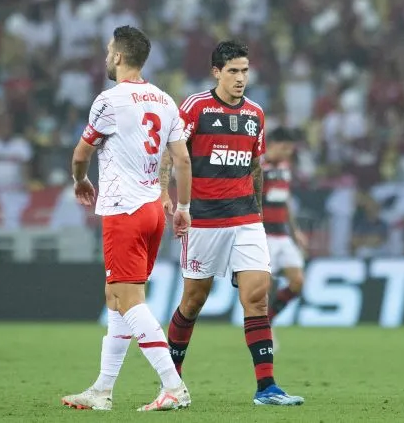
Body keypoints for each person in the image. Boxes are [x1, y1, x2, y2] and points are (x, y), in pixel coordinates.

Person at [162, 40, 304, 407]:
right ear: (216, 72)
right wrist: (167, 195)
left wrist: (255, 211)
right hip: (204, 221)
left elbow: (255, 166)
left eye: (244, 70)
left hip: (245, 219)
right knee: (193, 302)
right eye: (233, 71)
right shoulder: (195, 107)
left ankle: (267, 387)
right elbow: (173, 154)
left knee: (256, 298)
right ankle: (172, 384)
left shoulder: (256, 113)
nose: (241, 78)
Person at [62, 26, 193, 412]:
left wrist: (80, 180)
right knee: (115, 298)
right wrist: (182, 207)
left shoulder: (109, 101)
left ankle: (174, 386)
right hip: (154, 209)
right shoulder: (166, 101)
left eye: (108, 51)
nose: (106, 57)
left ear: (119, 56)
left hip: (124, 210)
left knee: (130, 300)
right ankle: (102, 390)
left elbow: (80, 154)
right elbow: (183, 160)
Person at [259, 127, 308, 322]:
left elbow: (284, 199)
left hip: (282, 233)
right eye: (285, 148)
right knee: (265, 287)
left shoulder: (285, 167)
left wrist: (295, 232)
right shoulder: (258, 166)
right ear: (273, 145)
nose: (288, 153)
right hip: (263, 234)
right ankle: (260, 331)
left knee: (297, 282)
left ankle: (267, 321)